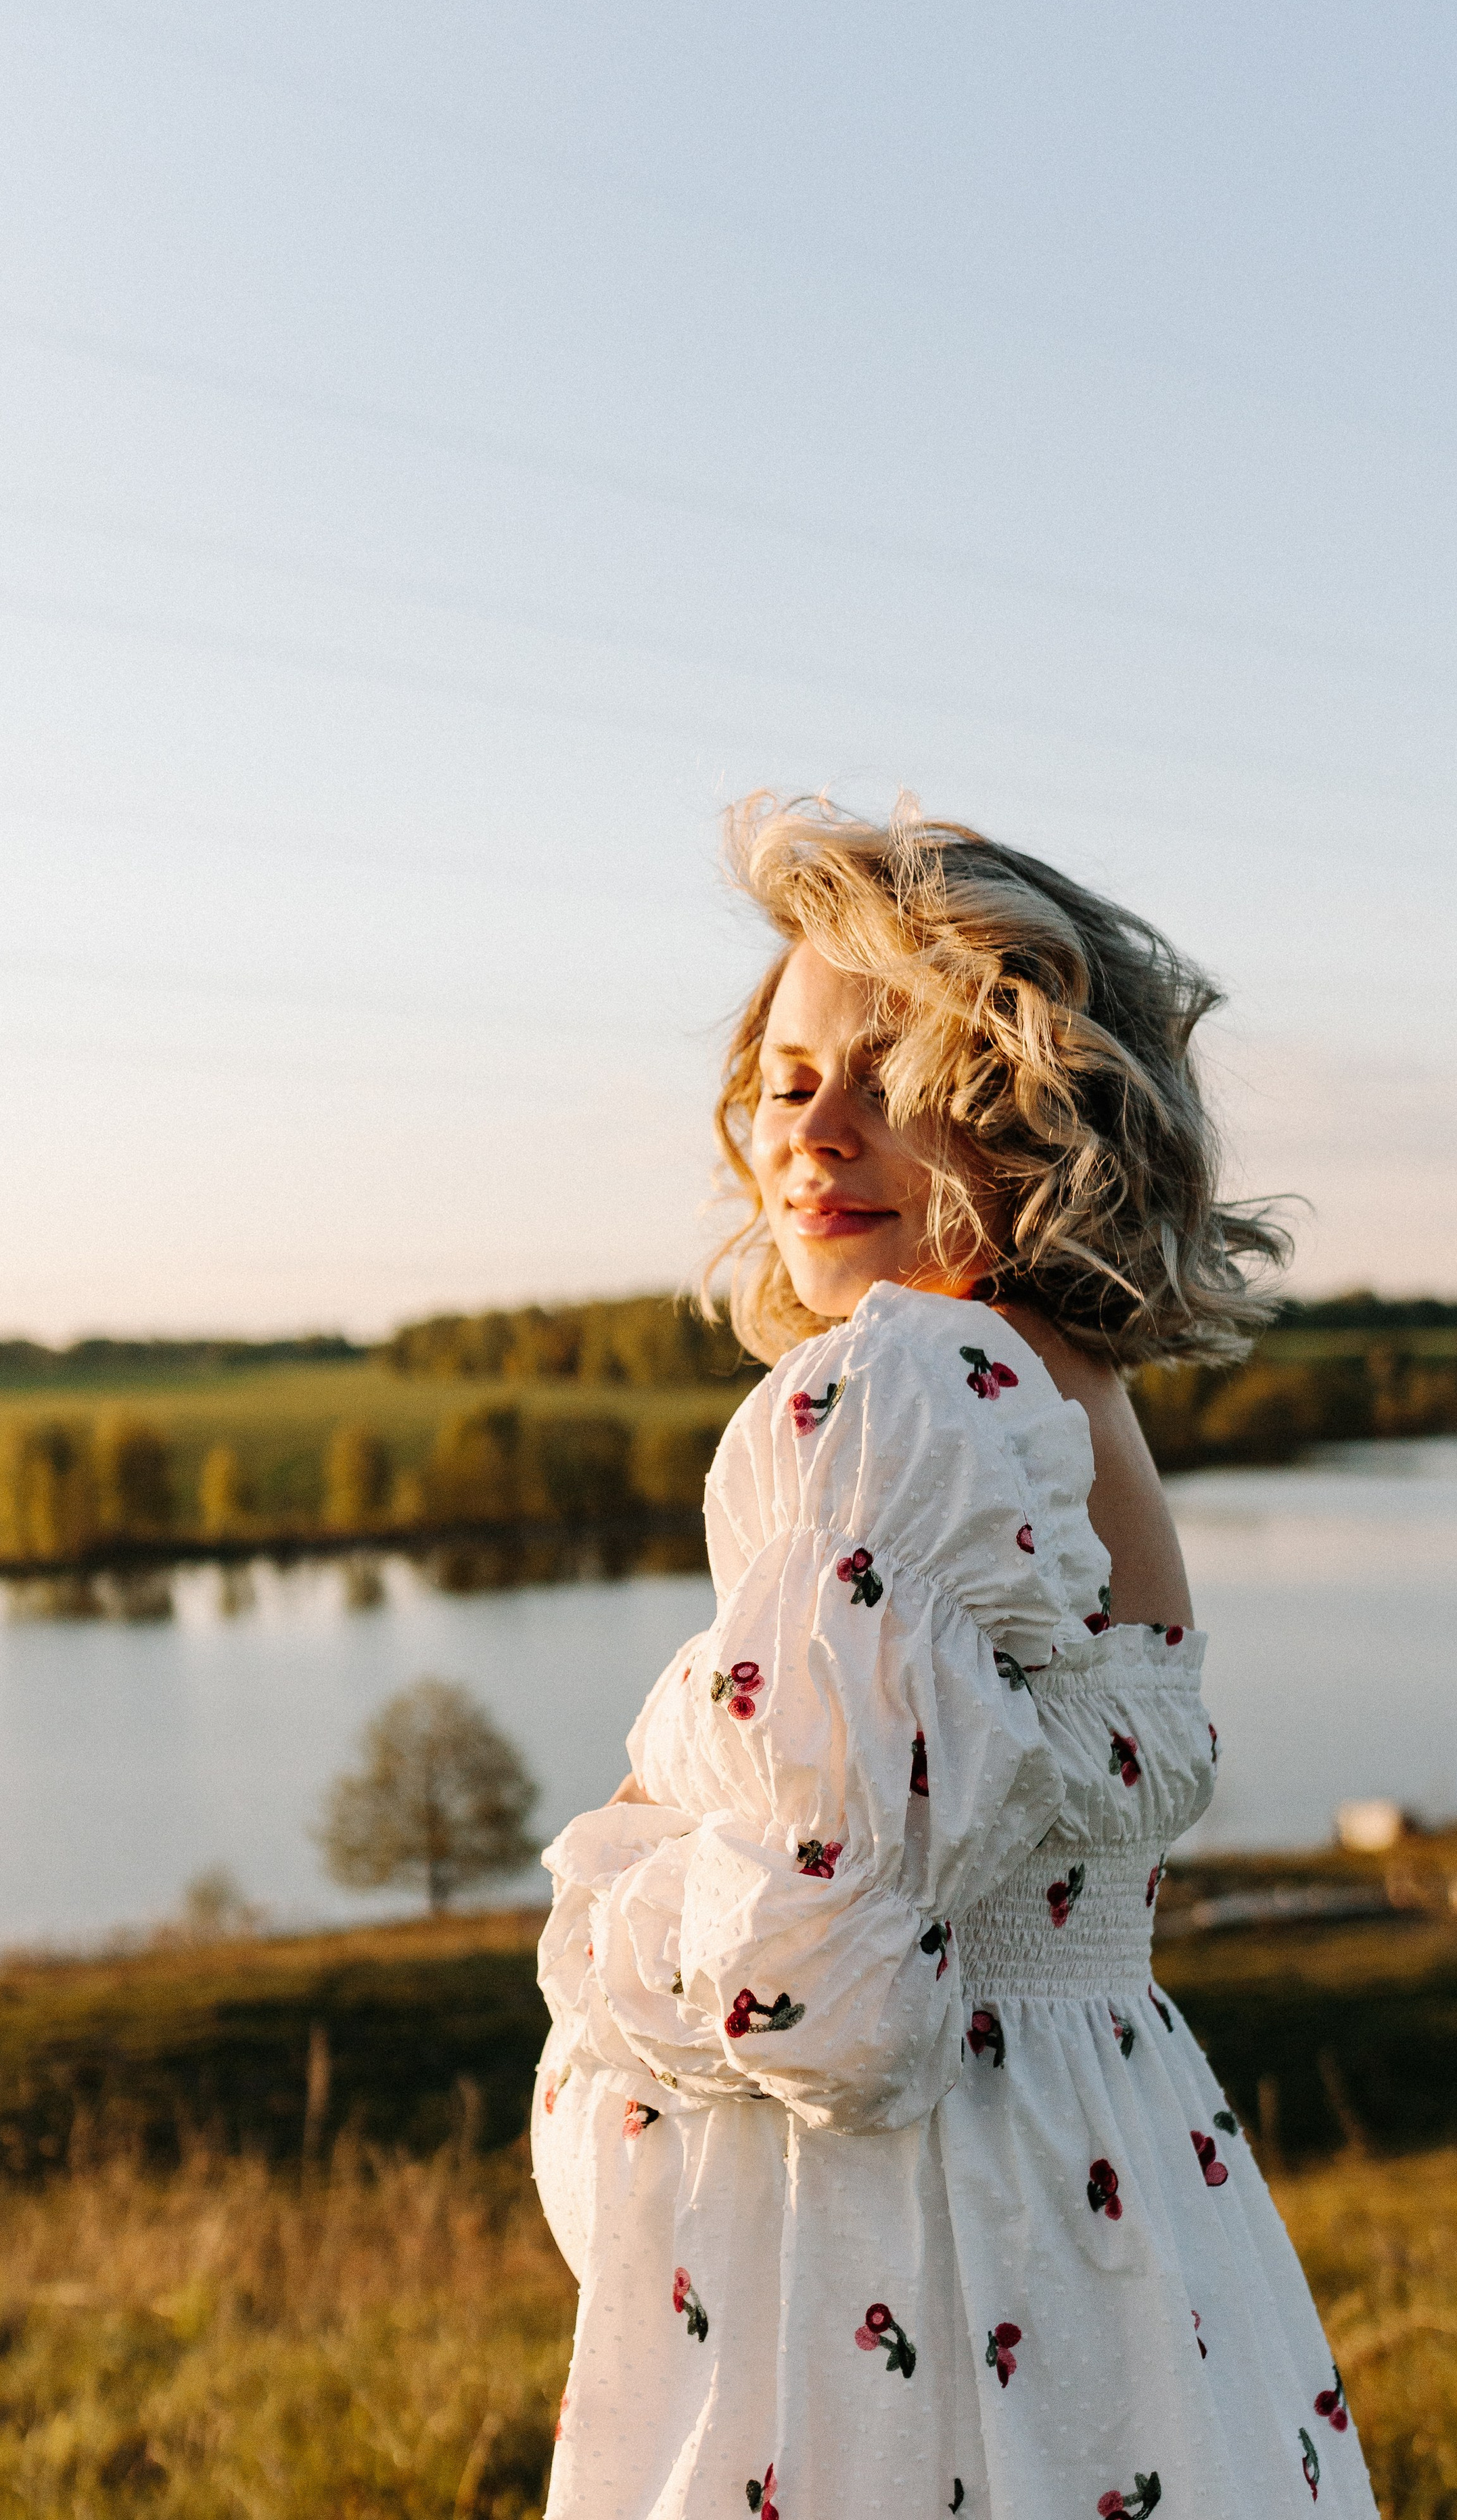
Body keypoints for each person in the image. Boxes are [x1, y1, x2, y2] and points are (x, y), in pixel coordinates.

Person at [532, 798, 1374, 2520]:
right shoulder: (1076, 1402)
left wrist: (606, 1919)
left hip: (894, 2255)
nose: (811, 1135)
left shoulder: (907, 1392)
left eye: (889, 1074)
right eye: (783, 1078)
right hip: (1116, 2209)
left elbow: (820, 1983)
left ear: (1031, 1107)